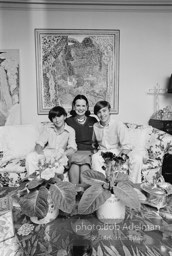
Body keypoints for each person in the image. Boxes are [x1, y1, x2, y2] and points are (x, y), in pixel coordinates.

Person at [91, 100, 143, 183]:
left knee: (137, 158)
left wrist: (116, 160)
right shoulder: (95, 126)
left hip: (119, 151)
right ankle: (101, 185)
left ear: (109, 110)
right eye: (99, 112)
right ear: (96, 114)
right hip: (103, 152)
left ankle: (134, 185)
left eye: (104, 111)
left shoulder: (118, 124)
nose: (102, 114)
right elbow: (93, 143)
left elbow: (127, 146)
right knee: (95, 158)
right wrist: (94, 150)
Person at [26, 106, 77, 175]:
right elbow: (39, 144)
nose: (57, 120)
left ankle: (51, 182)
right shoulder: (48, 128)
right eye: (54, 117)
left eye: (59, 116)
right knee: (30, 157)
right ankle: (34, 182)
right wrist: (42, 156)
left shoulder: (70, 130)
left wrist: (62, 155)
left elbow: (72, 148)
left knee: (57, 168)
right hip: (47, 153)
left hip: (60, 155)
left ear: (64, 117)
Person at [66, 95, 97, 185]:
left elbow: (99, 137)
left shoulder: (93, 120)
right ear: (74, 106)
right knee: (74, 164)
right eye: (78, 105)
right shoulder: (68, 121)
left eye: (83, 106)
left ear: (87, 107)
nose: (81, 108)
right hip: (74, 151)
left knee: (85, 166)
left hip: (88, 151)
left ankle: (83, 194)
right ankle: (73, 193)